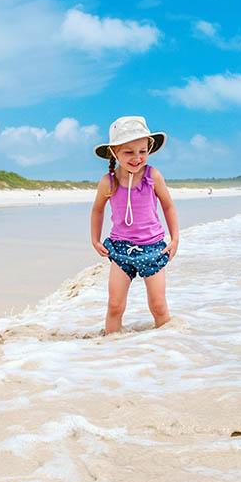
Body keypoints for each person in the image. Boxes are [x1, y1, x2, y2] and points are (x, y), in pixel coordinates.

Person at [90, 116, 180, 334]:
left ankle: (167, 347)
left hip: (152, 248)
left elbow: (168, 206)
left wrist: (175, 238)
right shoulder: (108, 182)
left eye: (142, 151)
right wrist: (94, 239)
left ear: (149, 149)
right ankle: (110, 349)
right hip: (121, 249)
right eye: (128, 152)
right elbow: (97, 210)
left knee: (158, 306)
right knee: (115, 306)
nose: (137, 158)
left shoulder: (153, 176)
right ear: (114, 153)